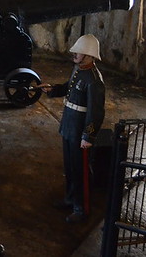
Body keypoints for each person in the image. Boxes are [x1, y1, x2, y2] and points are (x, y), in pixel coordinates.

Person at [39, 34, 105, 224]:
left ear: (89, 55)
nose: (74, 54)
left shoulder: (94, 81)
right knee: (69, 168)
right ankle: (70, 198)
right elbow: (69, 88)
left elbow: (95, 113)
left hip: (79, 132)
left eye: (79, 52)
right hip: (69, 126)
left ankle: (81, 208)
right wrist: (52, 90)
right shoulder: (78, 69)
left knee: (80, 171)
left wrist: (88, 136)